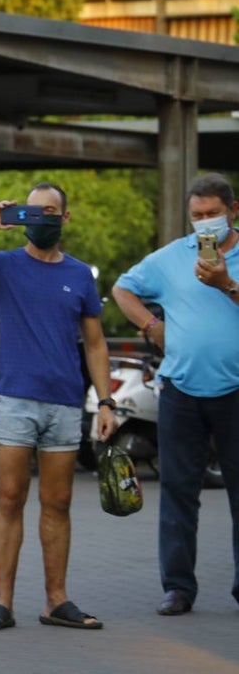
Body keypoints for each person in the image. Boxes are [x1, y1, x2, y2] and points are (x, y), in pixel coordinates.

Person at [0, 182, 118, 632]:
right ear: (22, 217)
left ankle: (57, 601)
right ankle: (2, 603)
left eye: (50, 211)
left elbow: (95, 344)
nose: (41, 219)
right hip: (15, 398)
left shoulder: (80, 275)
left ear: (64, 217)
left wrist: (105, 401)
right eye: (33, 212)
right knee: (10, 497)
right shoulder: (2, 265)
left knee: (58, 501)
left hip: (64, 403)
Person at [110, 172, 239, 616]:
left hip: (236, 391)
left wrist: (226, 284)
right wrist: (152, 325)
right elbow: (122, 288)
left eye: (212, 213)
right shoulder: (170, 258)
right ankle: (178, 587)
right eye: (196, 216)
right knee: (178, 491)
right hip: (181, 390)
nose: (204, 222)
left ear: (233, 211)